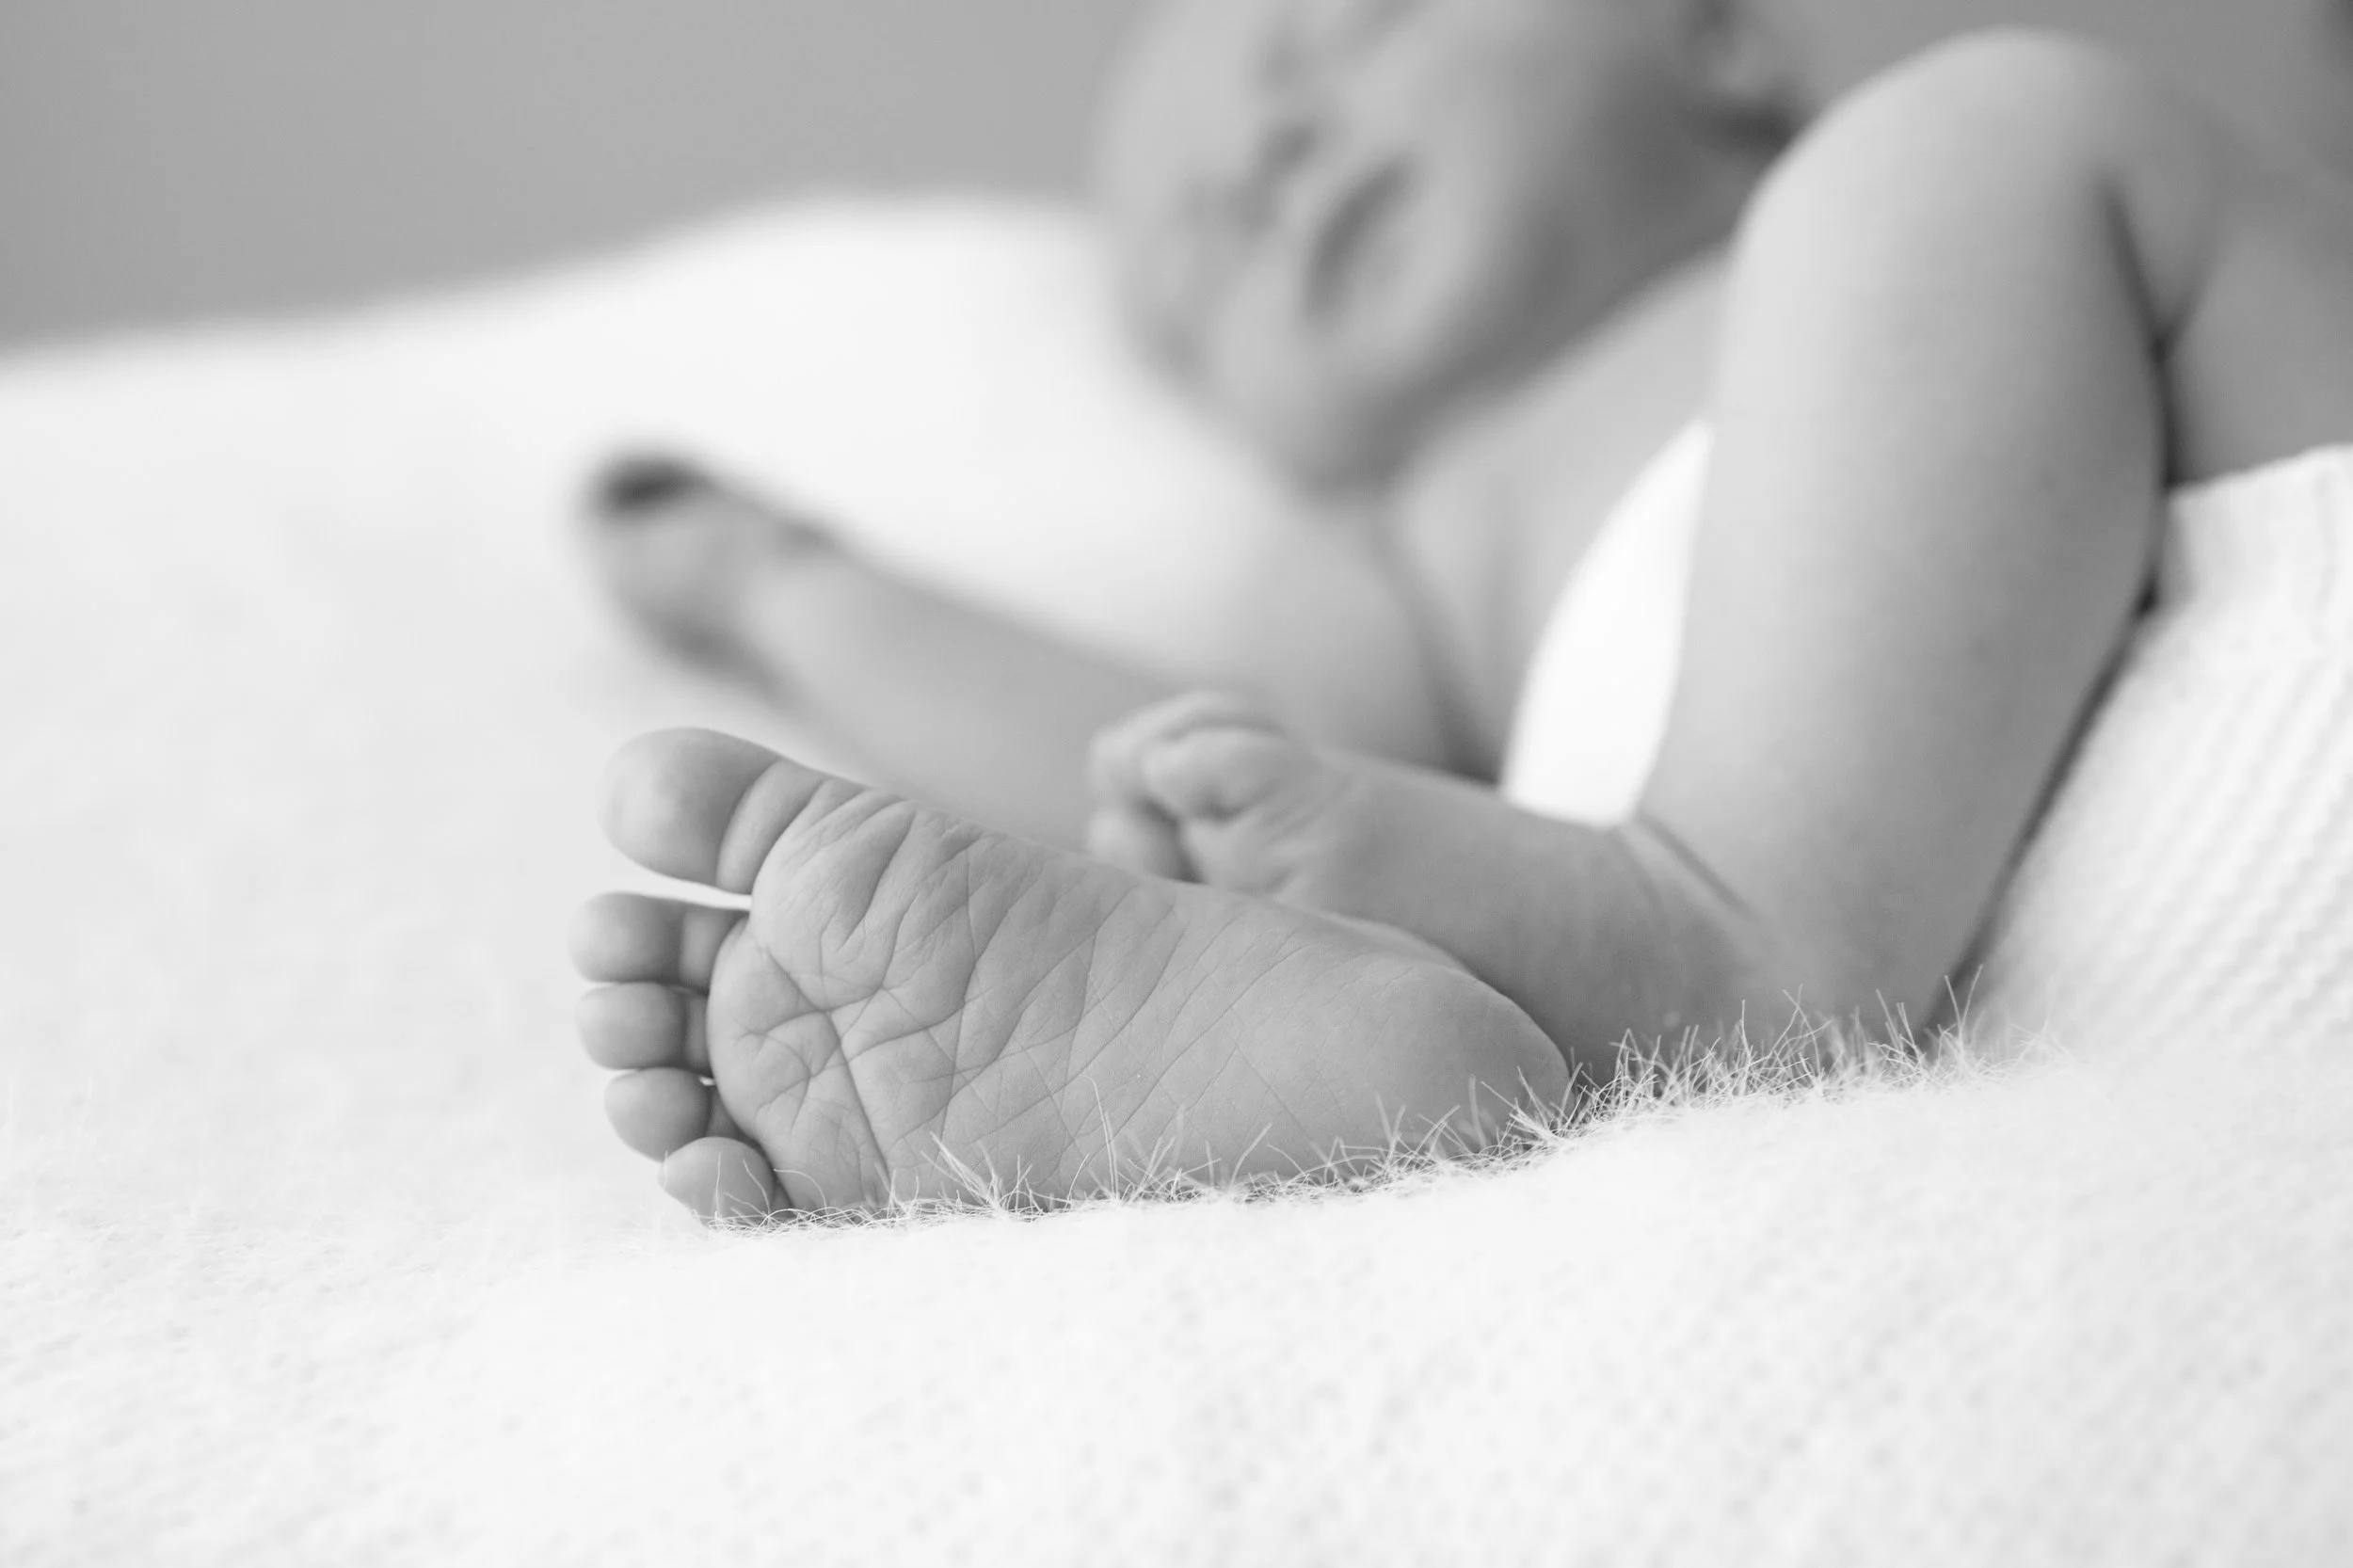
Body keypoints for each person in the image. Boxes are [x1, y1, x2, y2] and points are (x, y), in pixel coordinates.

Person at [571, 18, 2353, 1221]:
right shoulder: (1399, 560)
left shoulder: (1889, 228)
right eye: (1197, 261)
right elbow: (1141, 786)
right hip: (2135, 1032)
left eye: (1338, 40)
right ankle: (1409, 1046)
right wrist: (789, 584)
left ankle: (1721, 952)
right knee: (1229, 796)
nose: (1261, 163)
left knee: (1987, 125)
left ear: (1712, 34)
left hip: (2274, 658)